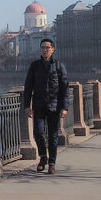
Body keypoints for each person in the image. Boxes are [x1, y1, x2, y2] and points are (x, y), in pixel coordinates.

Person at [23, 37, 68, 174]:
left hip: (54, 106)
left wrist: (64, 107)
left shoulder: (59, 66)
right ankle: (43, 157)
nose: (45, 50)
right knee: (38, 132)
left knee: (53, 136)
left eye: (47, 47)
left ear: (53, 50)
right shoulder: (35, 66)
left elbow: (64, 88)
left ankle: (52, 163)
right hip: (39, 105)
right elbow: (28, 86)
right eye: (42, 47)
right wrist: (27, 105)